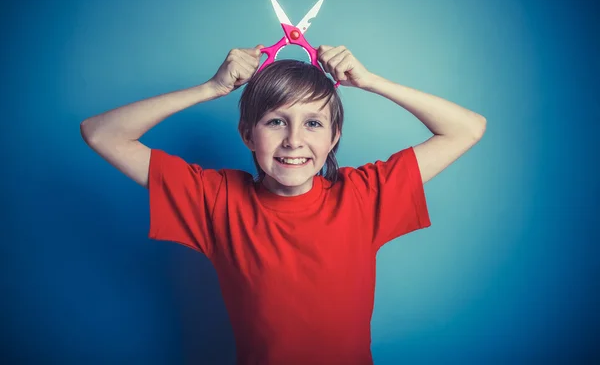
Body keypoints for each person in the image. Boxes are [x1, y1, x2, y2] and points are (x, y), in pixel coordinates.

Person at [80, 44, 486, 364]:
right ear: (247, 135)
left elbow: (467, 128)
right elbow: (101, 134)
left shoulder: (363, 194)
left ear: (334, 137)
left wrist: (371, 81)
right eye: (276, 121)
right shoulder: (217, 200)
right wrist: (211, 89)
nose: (294, 140)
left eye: (313, 123)